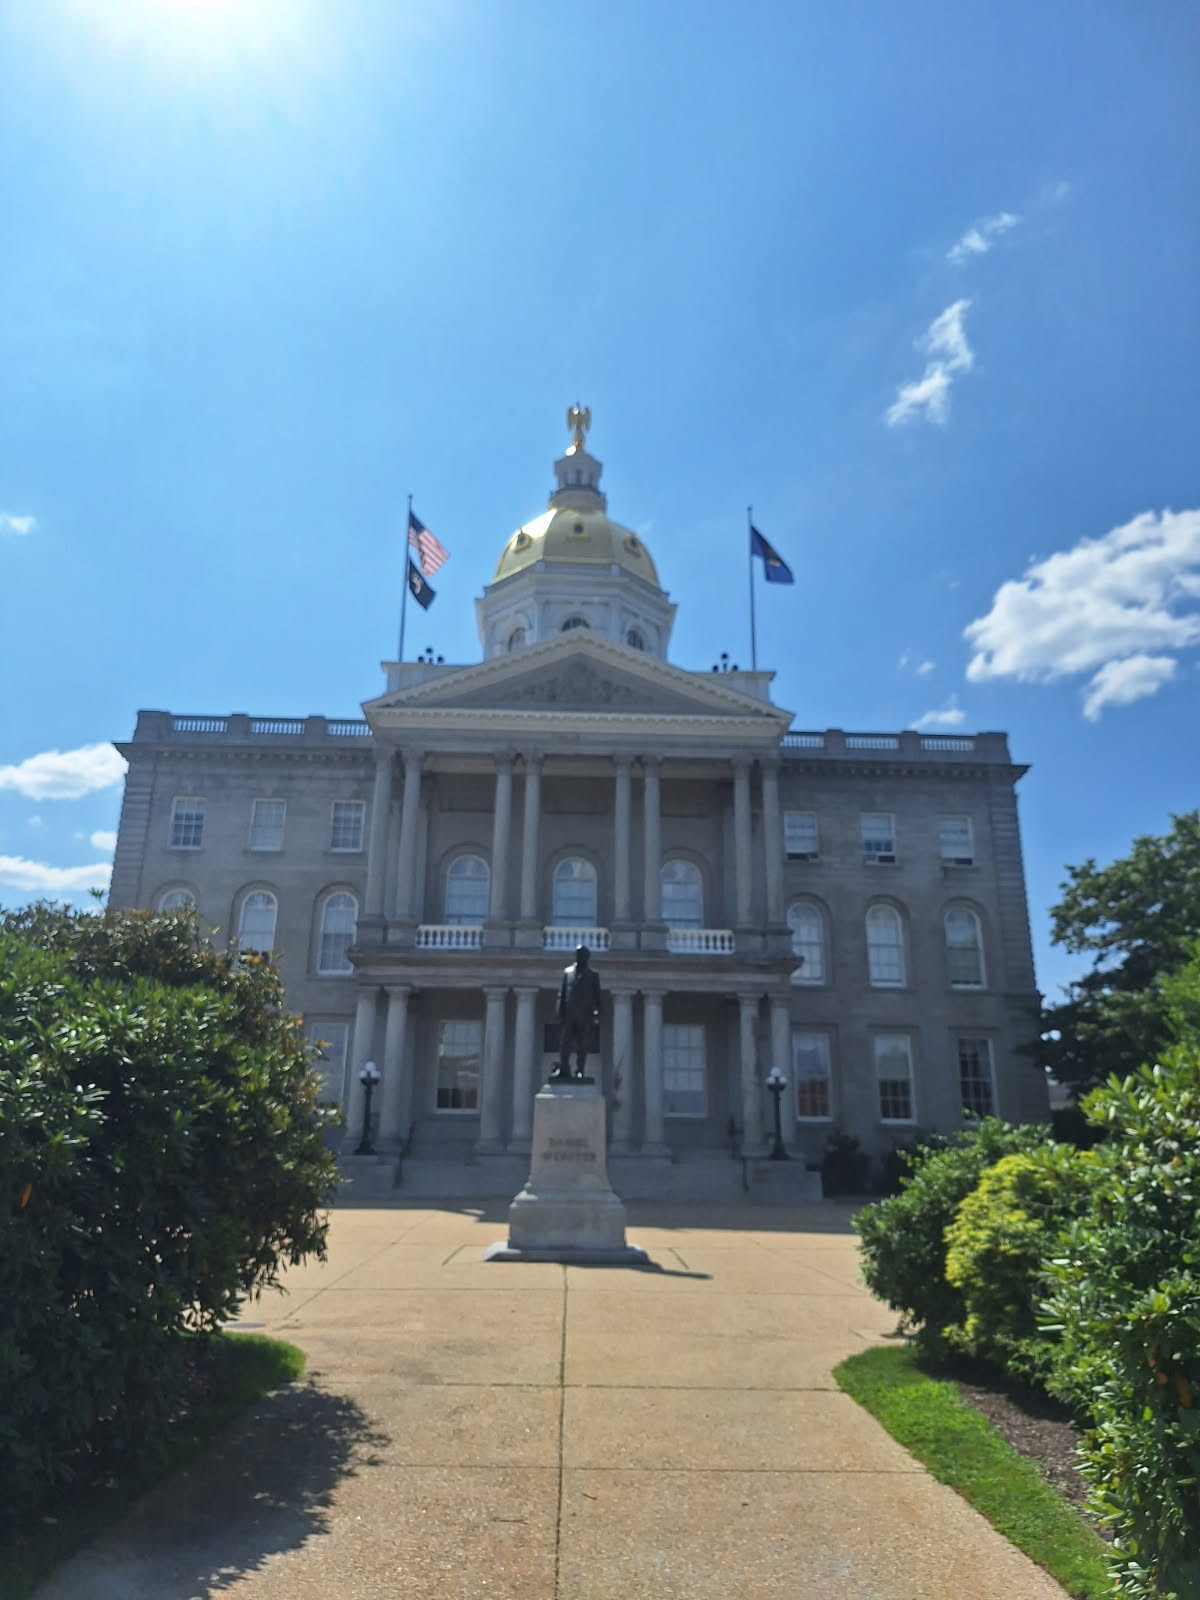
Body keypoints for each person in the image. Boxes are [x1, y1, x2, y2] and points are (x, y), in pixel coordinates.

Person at [552, 944, 601, 1081]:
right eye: (578, 954)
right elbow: (562, 994)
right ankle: (564, 1068)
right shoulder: (567, 973)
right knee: (564, 1042)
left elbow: (598, 996)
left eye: (583, 955)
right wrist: (559, 1011)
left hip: (585, 1014)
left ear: (587, 957)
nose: (580, 957)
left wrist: (597, 1013)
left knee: (582, 1044)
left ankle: (580, 1069)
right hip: (569, 1013)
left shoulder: (593, 975)